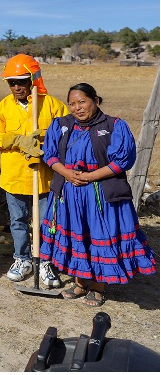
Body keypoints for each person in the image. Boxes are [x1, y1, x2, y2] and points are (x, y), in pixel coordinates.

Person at [40, 83, 156, 307]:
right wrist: (67, 174)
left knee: (98, 236)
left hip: (99, 195)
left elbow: (121, 161)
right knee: (78, 237)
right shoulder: (61, 125)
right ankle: (80, 283)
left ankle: (98, 287)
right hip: (69, 194)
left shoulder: (114, 126)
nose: (77, 108)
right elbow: (50, 155)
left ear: (96, 101)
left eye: (82, 102)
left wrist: (89, 177)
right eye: (72, 104)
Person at [0, 54, 68, 286]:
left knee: (46, 223)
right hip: (14, 177)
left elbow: (70, 135)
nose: (16, 86)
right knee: (18, 220)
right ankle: (22, 258)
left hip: (45, 179)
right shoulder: (3, 107)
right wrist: (17, 140)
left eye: (21, 81)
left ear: (32, 79)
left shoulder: (53, 105)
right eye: (11, 82)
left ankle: (45, 261)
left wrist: (49, 139)